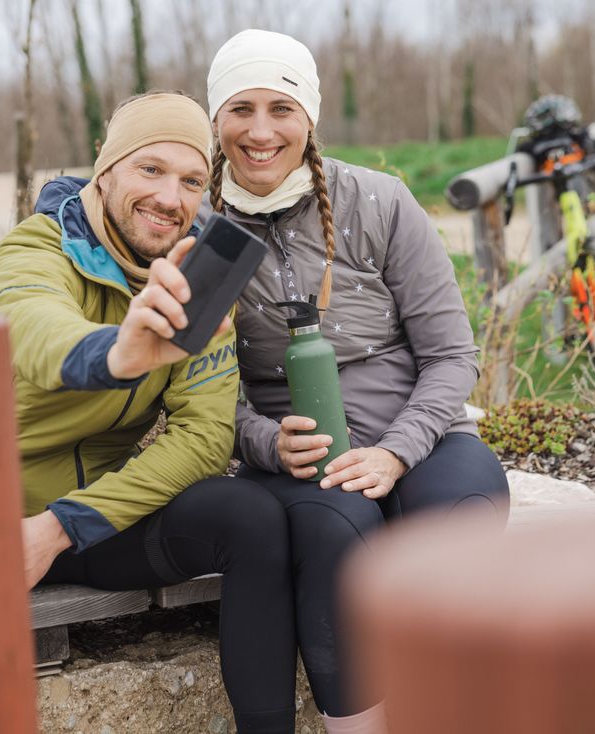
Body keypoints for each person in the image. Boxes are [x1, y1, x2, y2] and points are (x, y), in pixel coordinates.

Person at [203, 30, 511, 733]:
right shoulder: (200, 231)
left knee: (459, 513)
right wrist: (265, 443)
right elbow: (200, 391)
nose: (260, 131)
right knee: (337, 531)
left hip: (422, 438)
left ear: (309, 117)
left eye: (281, 109)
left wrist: (397, 451)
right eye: (241, 108)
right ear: (216, 119)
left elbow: (451, 355)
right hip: (302, 463)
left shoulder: (379, 200)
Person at [0, 92, 297, 734]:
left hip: (83, 527)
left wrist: (61, 526)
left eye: (192, 181)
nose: (171, 198)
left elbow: (204, 437)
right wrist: (118, 353)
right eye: (151, 169)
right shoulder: (35, 251)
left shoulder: (196, 277)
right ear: (106, 167)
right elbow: (33, 330)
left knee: (250, 515)